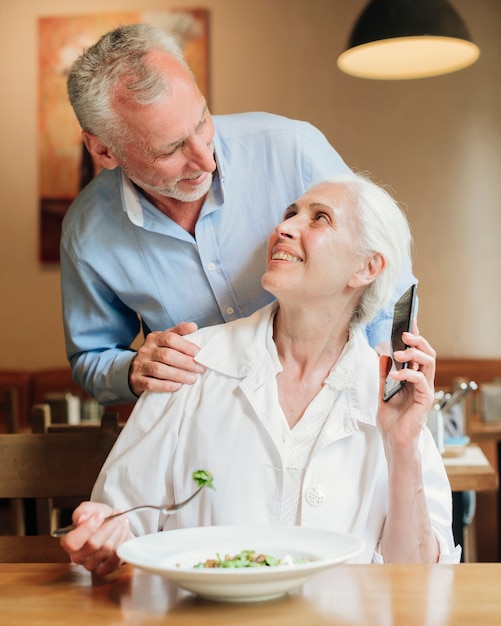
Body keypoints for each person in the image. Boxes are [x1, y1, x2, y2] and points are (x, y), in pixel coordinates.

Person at [60, 175, 460, 574]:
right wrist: (104, 538)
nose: (283, 228)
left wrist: (403, 445)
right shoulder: (190, 360)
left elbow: (418, 578)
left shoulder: (389, 396)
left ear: (367, 266)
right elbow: (120, 523)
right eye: (290, 214)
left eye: (319, 218)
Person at [60, 23, 417, 406]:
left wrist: (389, 374)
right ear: (103, 151)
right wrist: (131, 370)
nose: (204, 160)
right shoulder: (87, 234)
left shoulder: (291, 149)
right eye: (170, 149)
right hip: (208, 428)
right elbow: (91, 357)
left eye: (202, 122)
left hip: (342, 403)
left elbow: (385, 266)